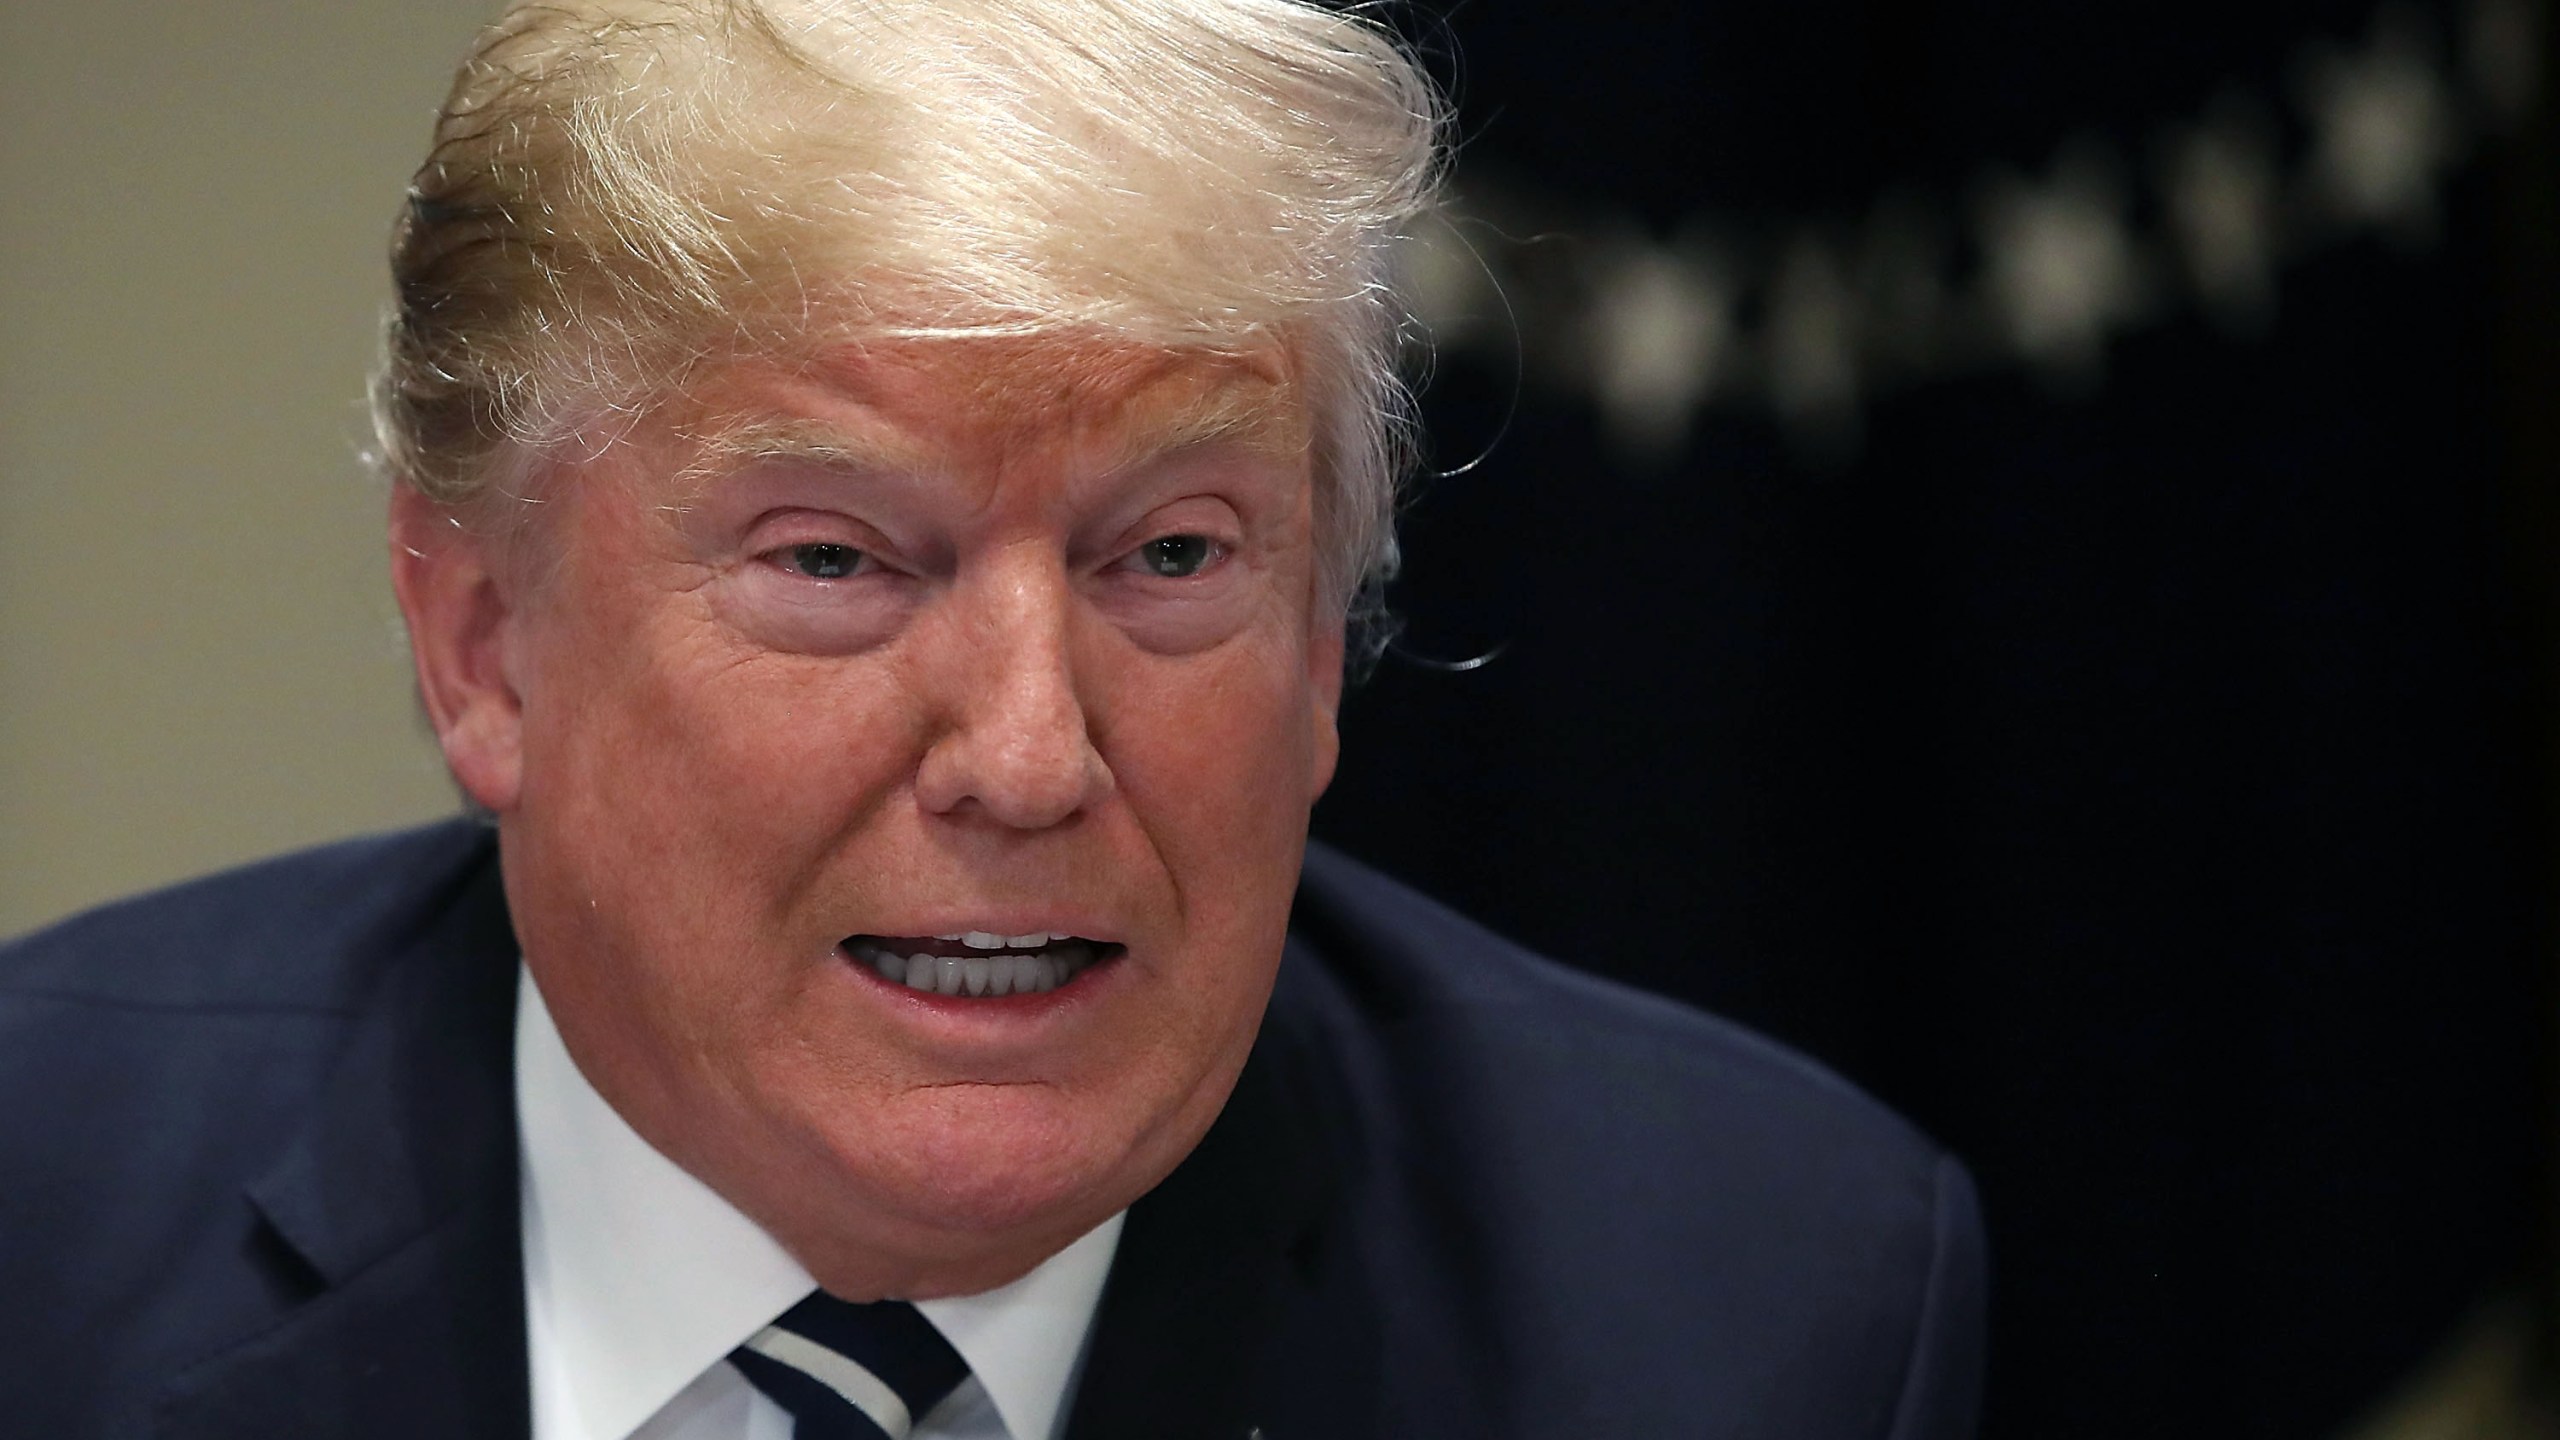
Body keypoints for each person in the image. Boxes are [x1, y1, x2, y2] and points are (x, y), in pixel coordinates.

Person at [0, 1, 1986, 1436]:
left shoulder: (1745, 1303)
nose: (1032, 759)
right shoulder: (41, 1217)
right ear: (482, 646)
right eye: (837, 562)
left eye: (1176, 557)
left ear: (1320, 650)